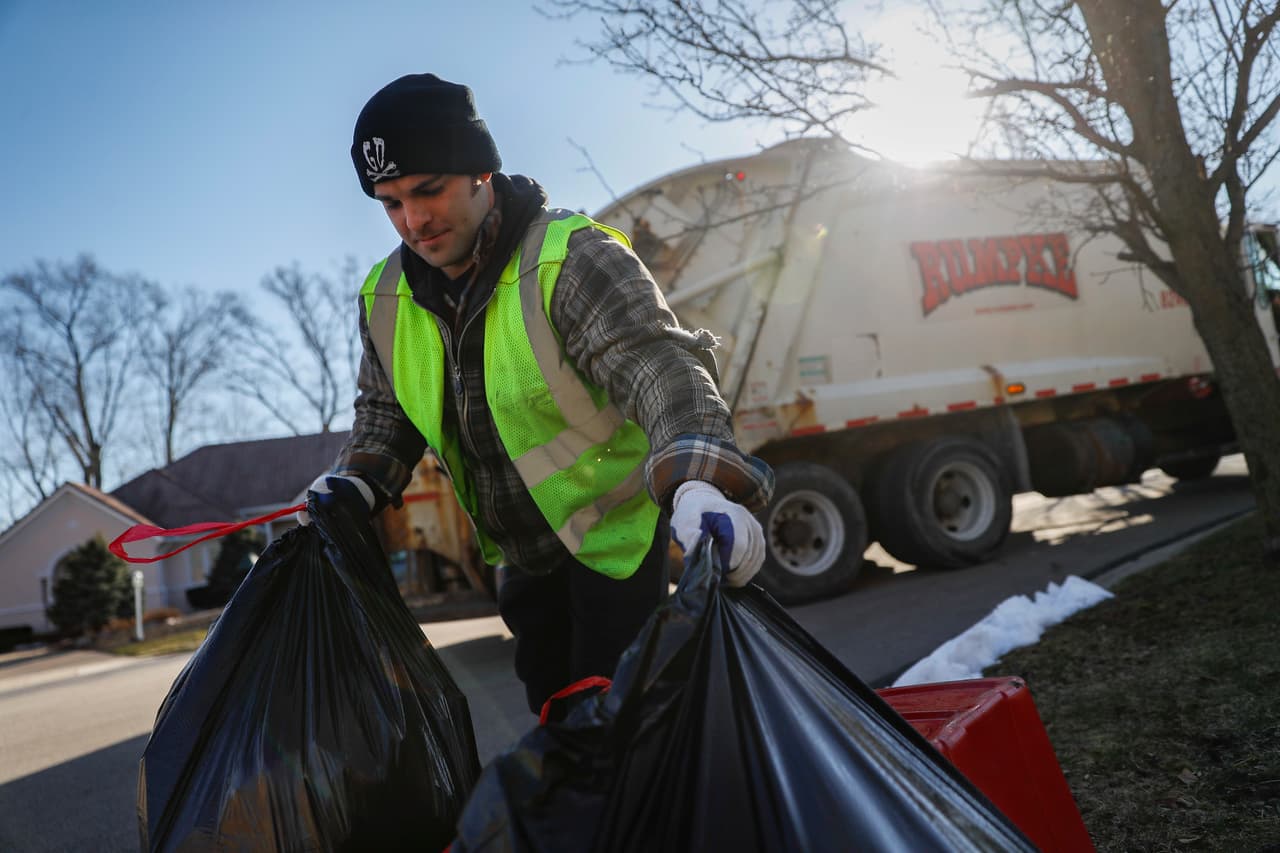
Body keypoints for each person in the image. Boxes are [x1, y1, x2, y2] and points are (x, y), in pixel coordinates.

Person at [304, 73, 774, 714]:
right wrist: (352, 483)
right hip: (520, 560)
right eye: (390, 203)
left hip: (616, 546)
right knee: (560, 729)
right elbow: (386, 414)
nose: (412, 221)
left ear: (479, 171)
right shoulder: (384, 299)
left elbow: (656, 368)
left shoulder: (571, 257)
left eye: (427, 191)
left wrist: (699, 481)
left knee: (632, 730)